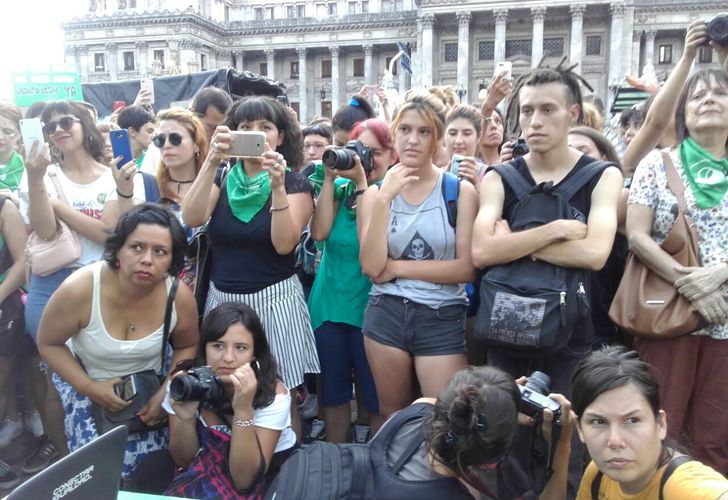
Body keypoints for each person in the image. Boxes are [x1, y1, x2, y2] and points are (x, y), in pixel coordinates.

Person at [472, 63, 623, 497]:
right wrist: (554, 231)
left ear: (573, 113)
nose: (534, 121)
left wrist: (513, 242)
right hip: (504, 333)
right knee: (504, 441)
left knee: (567, 441)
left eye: (547, 110)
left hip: (568, 338)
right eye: (527, 110)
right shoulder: (501, 176)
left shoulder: (602, 176)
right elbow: (481, 251)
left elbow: (595, 253)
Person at [182, 95, 319, 440]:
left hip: (275, 302)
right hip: (224, 303)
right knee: (226, 391)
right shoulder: (222, 178)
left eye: (265, 127)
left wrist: (277, 188)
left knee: (281, 395)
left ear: (281, 136)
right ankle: (236, 467)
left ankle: (289, 467)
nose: (255, 133)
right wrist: (211, 161)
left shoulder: (294, 183)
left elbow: (284, 244)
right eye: (245, 127)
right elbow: (192, 216)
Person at [36, 203, 199, 479]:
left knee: (150, 471)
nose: (147, 259)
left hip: (150, 384)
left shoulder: (178, 296)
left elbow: (187, 345)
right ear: (119, 251)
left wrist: (166, 391)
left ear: (171, 260)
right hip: (85, 377)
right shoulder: (81, 289)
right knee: (95, 471)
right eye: (137, 247)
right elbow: (48, 343)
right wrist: (90, 387)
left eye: (160, 252)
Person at [20, 100, 134, 473]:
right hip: (52, 286)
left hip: (105, 284)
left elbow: (112, 234)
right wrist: (37, 180)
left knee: (106, 374)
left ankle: (109, 457)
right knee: (59, 383)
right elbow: (45, 229)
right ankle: (69, 466)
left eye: (65, 121)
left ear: (84, 123)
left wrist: (60, 206)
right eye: (49, 127)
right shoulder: (40, 174)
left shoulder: (114, 173)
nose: (57, 130)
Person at [626, 67, 728, 475]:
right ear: (683, 111)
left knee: (714, 437)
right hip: (668, 315)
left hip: (725, 326)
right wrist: (693, 285)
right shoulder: (657, 163)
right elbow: (637, 235)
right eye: (698, 94)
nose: (708, 99)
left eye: (720, 92)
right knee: (659, 429)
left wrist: (718, 275)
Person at [358, 90, 478, 421]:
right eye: (405, 130)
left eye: (424, 132)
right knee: (391, 413)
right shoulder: (374, 194)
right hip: (386, 312)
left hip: (441, 315)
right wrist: (384, 199)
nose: (413, 140)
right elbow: (370, 266)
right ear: (394, 135)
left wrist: (396, 266)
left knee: (446, 415)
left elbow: (466, 268)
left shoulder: (458, 192)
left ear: (437, 139)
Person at [307, 118, 396, 444]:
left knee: (375, 400)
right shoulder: (340, 190)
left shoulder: (393, 194)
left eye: (375, 152)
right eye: (359, 151)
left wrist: (363, 185)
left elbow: (372, 247)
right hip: (329, 305)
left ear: (393, 154)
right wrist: (331, 179)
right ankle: (336, 467)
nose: (366, 160)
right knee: (333, 394)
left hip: (373, 311)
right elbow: (319, 233)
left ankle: (374, 473)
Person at [374, 365, 574, 499]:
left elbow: (444, 407)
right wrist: (562, 445)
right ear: (490, 463)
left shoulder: (412, 414)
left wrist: (494, 398)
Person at [165, 302, 296, 498]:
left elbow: (244, 481)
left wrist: (243, 410)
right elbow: (186, 462)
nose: (228, 358)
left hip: (266, 475)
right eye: (218, 346)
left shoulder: (274, 395)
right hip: (205, 470)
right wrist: (186, 421)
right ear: (204, 349)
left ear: (254, 356)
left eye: (241, 348)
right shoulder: (185, 383)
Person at [572, 346, 728, 499]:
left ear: (660, 424)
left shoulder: (684, 486)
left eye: (632, 420)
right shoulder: (598, 475)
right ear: (580, 428)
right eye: (599, 421)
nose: (615, 441)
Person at [444, 104, 486, 189]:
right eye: (452, 133)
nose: (458, 140)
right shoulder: (434, 174)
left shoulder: (489, 175)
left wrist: (477, 185)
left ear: (478, 137)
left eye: (467, 134)